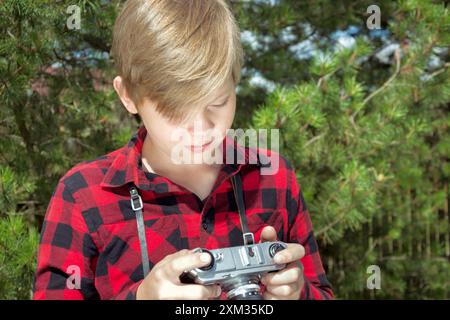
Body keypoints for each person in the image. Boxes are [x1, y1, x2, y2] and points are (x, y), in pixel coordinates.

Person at [33, 0, 333, 300]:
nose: (201, 127)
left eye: (217, 103)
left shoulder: (274, 177)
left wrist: (298, 293)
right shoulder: (83, 196)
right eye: (175, 110)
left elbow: (321, 293)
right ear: (128, 96)